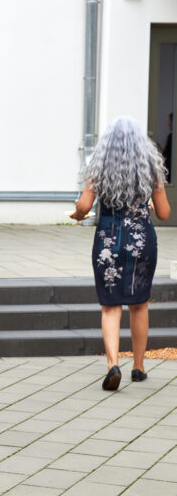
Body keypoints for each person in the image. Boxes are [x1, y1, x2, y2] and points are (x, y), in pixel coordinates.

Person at [71, 116, 170, 390]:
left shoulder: (100, 167)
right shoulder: (151, 168)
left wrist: (78, 214)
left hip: (109, 241)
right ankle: (138, 367)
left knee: (110, 306)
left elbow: (83, 204)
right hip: (141, 243)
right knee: (139, 304)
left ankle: (113, 364)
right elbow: (164, 213)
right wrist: (146, 203)